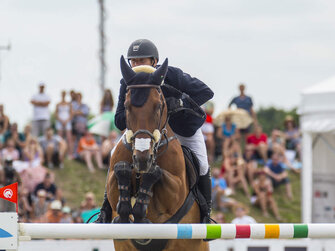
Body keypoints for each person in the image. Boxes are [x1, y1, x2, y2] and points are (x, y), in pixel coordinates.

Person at [96, 38, 214, 223]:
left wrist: (180, 101)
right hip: (146, 132)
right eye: (133, 61)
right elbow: (119, 121)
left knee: (203, 164)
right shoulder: (128, 82)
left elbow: (206, 92)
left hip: (181, 128)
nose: (136, 65)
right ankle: (105, 211)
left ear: (154, 62)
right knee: (113, 155)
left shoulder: (172, 75)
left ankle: (206, 213)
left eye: (141, 60)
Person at [55, 90, 73, 156]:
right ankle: (59, 152)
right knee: (59, 138)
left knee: (69, 138)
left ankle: (70, 154)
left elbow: (71, 113)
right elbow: (56, 113)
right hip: (60, 122)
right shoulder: (58, 104)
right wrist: (61, 120)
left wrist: (66, 120)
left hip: (67, 122)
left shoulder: (69, 104)